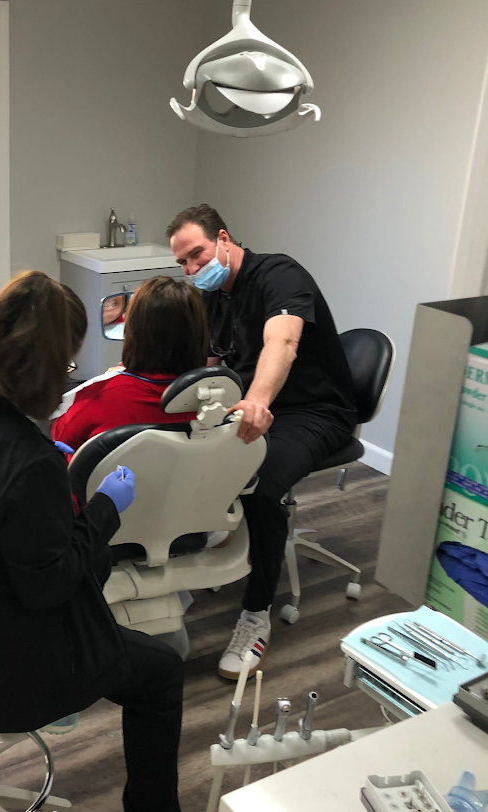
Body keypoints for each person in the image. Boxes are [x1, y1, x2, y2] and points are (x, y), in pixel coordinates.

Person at [0, 270, 185, 812]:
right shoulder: (27, 460)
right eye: (69, 362)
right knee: (162, 672)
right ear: (53, 365)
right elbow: (51, 587)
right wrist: (104, 509)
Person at [167, 204, 357, 680]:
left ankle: (255, 616)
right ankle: (204, 548)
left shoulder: (279, 275)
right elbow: (210, 362)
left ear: (224, 239)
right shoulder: (214, 296)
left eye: (197, 255)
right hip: (255, 404)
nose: (192, 270)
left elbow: (282, 343)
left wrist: (256, 401)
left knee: (262, 480)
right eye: (183, 264)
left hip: (315, 411)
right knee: (185, 444)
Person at [52, 276, 207, 450]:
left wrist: (113, 381)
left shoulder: (100, 397)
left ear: (135, 332)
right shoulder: (212, 399)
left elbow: (60, 437)